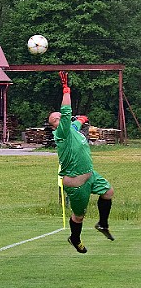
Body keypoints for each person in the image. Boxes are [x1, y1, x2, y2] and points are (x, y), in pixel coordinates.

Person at [48, 71, 114, 253]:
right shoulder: (61, 133)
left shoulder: (73, 129)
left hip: (90, 175)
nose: (61, 118)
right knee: (79, 216)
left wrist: (82, 119)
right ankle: (75, 238)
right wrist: (66, 90)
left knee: (108, 192)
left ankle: (102, 224)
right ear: (55, 124)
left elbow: (76, 122)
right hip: (76, 183)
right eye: (57, 119)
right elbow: (67, 113)